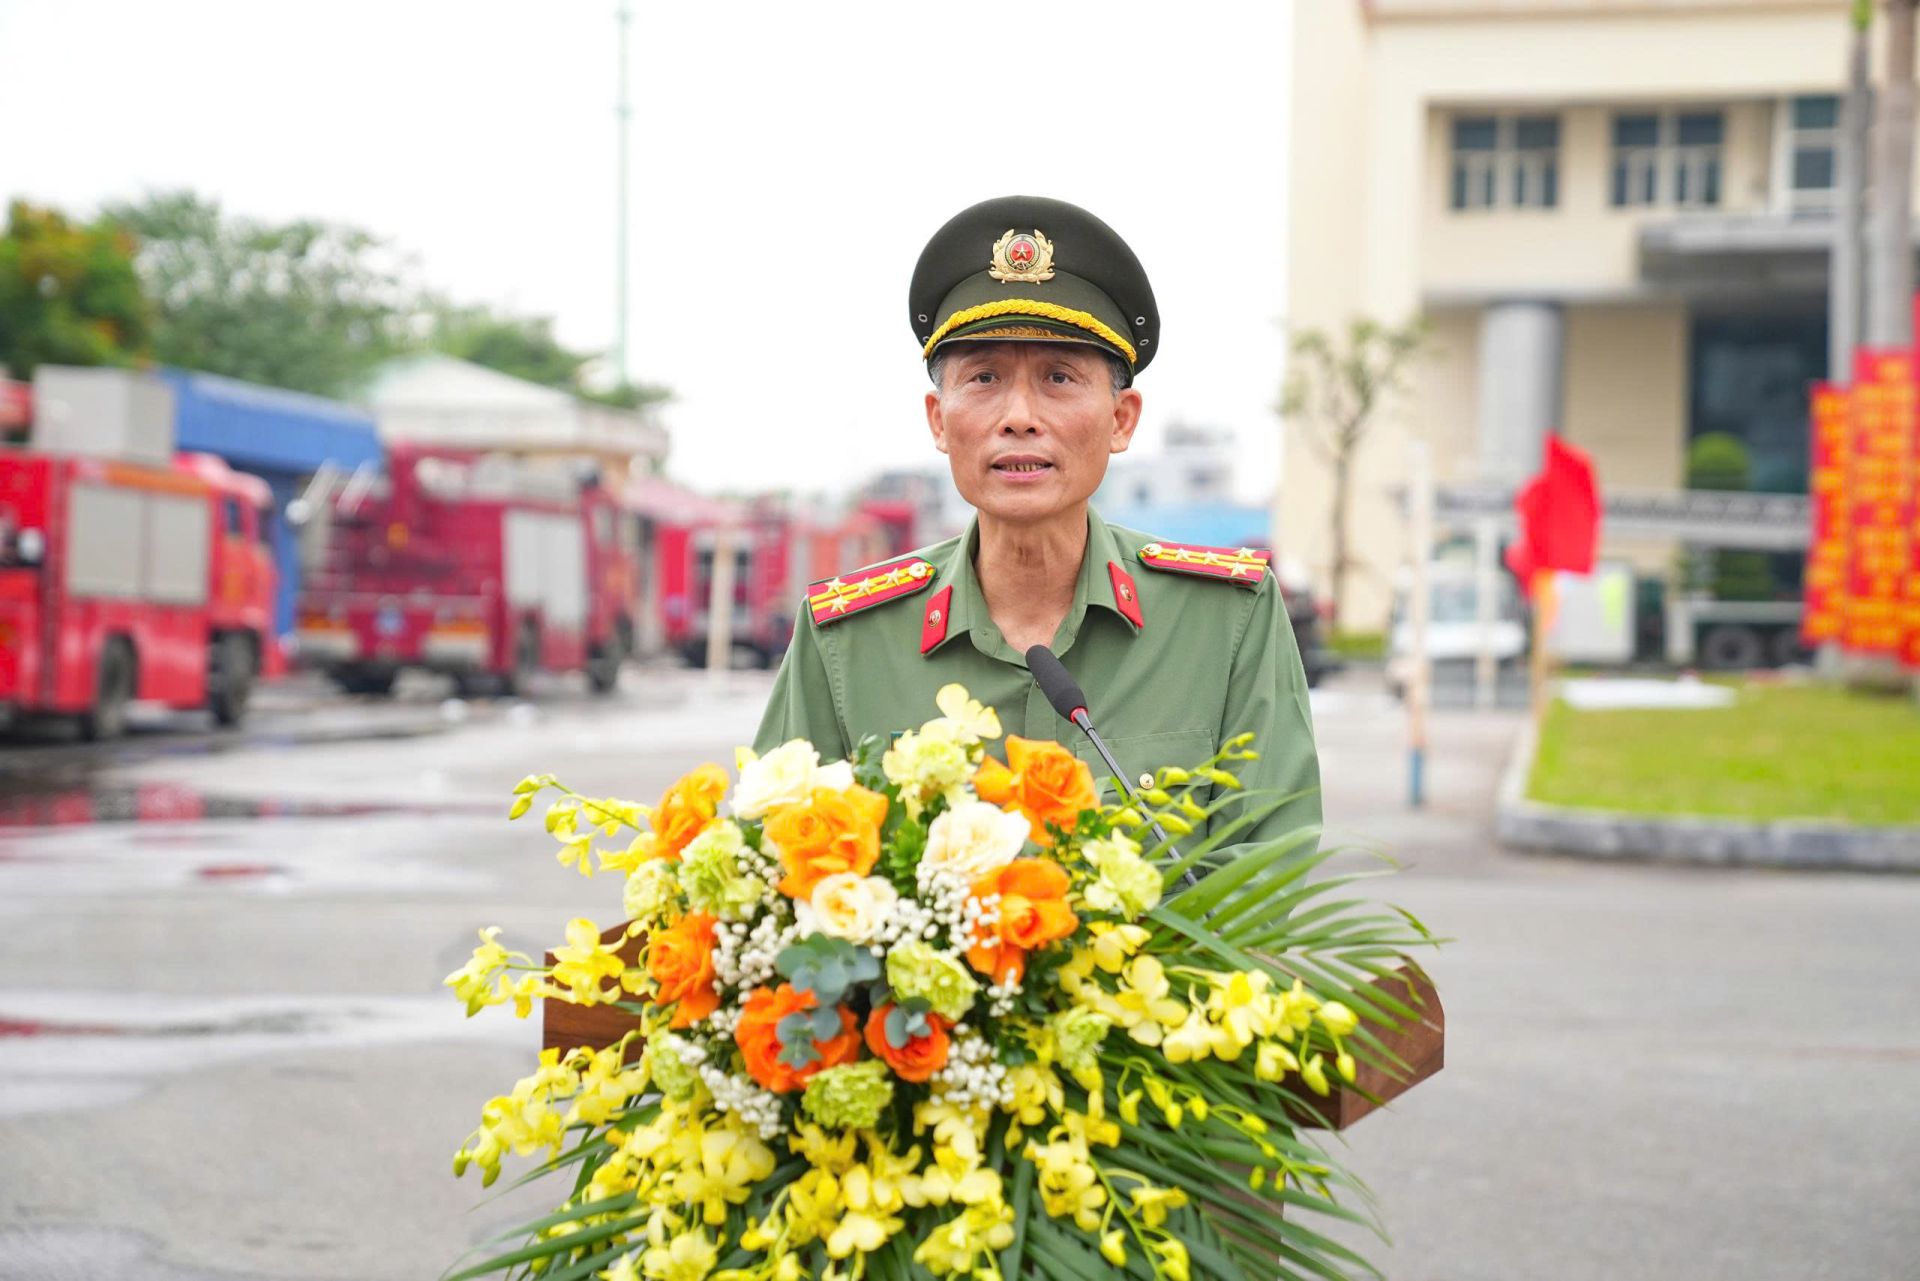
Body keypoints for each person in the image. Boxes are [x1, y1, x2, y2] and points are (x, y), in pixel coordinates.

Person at [754, 195, 1320, 851]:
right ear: (939, 420)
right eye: (985, 376)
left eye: (1058, 376)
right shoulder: (847, 643)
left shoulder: (1227, 622)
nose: (1019, 415)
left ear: (1122, 419)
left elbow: (1267, 893)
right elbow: (771, 876)